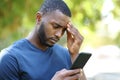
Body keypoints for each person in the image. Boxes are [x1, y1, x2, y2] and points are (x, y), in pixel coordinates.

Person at [0, 0, 86, 80]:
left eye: (64, 30)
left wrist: (75, 55)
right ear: (38, 18)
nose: (59, 35)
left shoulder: (66, 55)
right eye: (55, 26)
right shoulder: (10, 58)